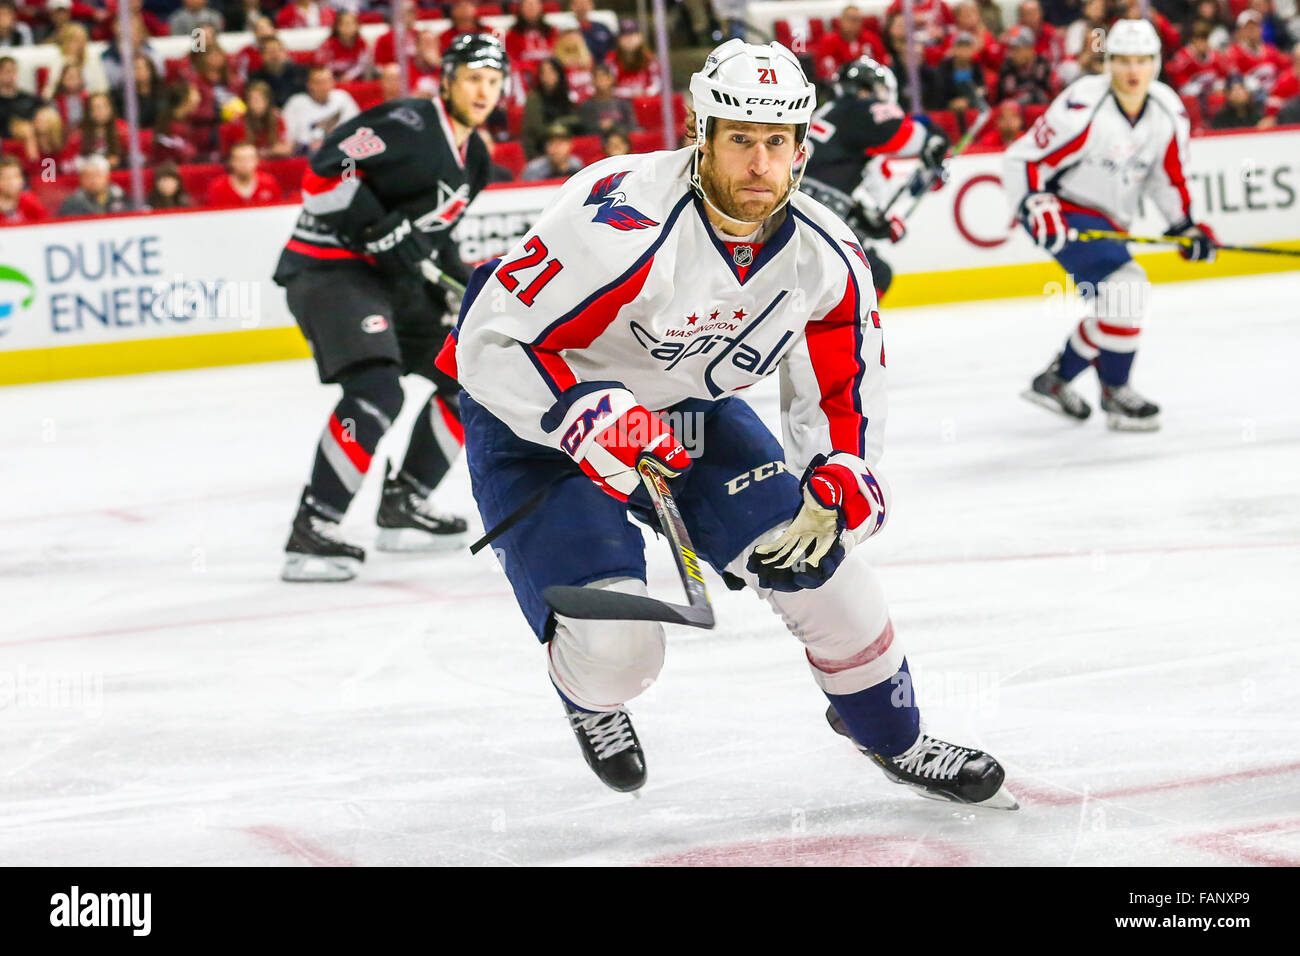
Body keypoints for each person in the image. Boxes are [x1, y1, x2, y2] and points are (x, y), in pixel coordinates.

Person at [438, 37, 1016, 807]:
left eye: (777, 141)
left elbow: (842, 387)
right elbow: (489, 338)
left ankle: (897, 739)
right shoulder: (621, 218)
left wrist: (839, 472)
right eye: (740, 139)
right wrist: (581, 412)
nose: (759, 163)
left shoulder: (826, 254)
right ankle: (591, 696)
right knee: (619, 653)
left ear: (802, 146)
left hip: (685, 416)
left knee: (829, 581)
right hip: (537, 421)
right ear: (699, 135)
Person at [271, 34, 509, 582]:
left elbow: (432, 236)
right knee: (377, 390)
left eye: (493, 82)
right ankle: (314, 526)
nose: (483, 91)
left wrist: (465, 287)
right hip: (330, 268)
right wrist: (373, 224)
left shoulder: (476, 160)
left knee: (467, 377)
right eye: (473, 77)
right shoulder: (407, 123)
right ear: (447, 79)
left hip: (389, 280)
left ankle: (405, 503)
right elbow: (324, 172)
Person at [1006, 19, 1219, 431]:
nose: (1132, 71)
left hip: (1108, 220)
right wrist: (1035, 203)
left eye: (1142, 60)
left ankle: (1056, 380)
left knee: (1116, 303)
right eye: (1122, 60)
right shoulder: (1083, 105)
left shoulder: (1167, 110)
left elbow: (1168, 176)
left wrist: (1185, 226)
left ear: (1156, 62)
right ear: (1109, 62)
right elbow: (1023, 159)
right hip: (1062, 210)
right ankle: (1116, 392)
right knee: (1128, 288)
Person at [801, 56, 950, 300]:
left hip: (799, 210)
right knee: (875, 276)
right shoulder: (858, 109)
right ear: (866, 89)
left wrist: (872, 222)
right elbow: (914, 138)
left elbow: (827, 182)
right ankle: (844, 336)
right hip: (813, 221)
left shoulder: (826, 113)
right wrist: (936, 137)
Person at [281, 65, 360, 155]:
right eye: (319, 82)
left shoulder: (342, 97)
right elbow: (288, 137)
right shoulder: (296, 103)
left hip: (341, 147)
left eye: (328, 81)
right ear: (309, 84)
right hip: (308, 151)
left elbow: (356, 126)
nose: (325, 86)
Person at [521, 58, 579, 157]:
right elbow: (537, 129)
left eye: (551, 71)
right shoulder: (534, 97)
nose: (547, 76)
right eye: (544, 72)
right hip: (539, 149)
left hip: (566, 149)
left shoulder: (565, 94)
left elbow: (577, 120)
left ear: (559, 73)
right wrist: (559, 126)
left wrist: (559, 122)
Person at [205, 141, 282, 206]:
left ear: (257, 161)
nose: (245, 164)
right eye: (240, 160)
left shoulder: (269, 183)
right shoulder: (217, 188)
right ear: (231, 162)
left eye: (249, 159)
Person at [58, 154, 131, 216]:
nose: (93, 180)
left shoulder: (121, 198)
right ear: (81, 179)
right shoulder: (71, 203)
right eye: (88, 176)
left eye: (98, 175)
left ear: (106, 177)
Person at [996, 24, 1053, 104]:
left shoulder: (1042, 64)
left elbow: (1046, 96)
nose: (1010, 54)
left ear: (1029, 48)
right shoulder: (1007, 67)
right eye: (1009, 49)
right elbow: (1002, 99)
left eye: (1015, 49)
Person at [606, 18, 661, 99]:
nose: (629, 39)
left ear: (640, 37)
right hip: (620, 103)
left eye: (632, 34)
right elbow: (607, 87)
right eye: (625, 35)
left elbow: (658, 83)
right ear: (618, 39)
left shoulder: (649, 58)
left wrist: (647, 93)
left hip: (645, 101)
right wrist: (631, 93)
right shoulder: (611, 58)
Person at [577, 61, 637, 135]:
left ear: (611, 79)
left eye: (604, 77)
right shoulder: (586, 105)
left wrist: (613, 126)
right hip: (597, 143)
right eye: (597, 77)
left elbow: (632, 127)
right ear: (592, 81)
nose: (601, 80)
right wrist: (599, 126)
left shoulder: (624, 103)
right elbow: (584, 129)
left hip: (621, 142)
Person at [315, 10, 372, 83]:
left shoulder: (362, 44)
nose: (348, 27)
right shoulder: (328, 45)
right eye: (344, 24)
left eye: (351, 24)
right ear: (337, 27)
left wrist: (349, 76)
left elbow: (363, 66)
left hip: (354, 81)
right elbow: (321, 67)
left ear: (357, 26)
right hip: (331, 81)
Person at [250, 36, 307, 108]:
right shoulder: (255, 79)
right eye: (270, 52)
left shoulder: (300, 73)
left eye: (279, 50)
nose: (275, 55)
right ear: (262, 55)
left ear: (285, 53)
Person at [0, 55, 41, 138]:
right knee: (26, 130)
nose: (11, 75)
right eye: (7, 71)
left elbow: (42, 108)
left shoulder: (27, 98)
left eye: (14, 71)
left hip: (31, 131)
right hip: (6, 138)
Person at [0, 155, 46, 223]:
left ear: (22, 180)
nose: (12, 182)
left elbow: (46, 226)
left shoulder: (31, 201)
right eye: (6, 177)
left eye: (16, 176)